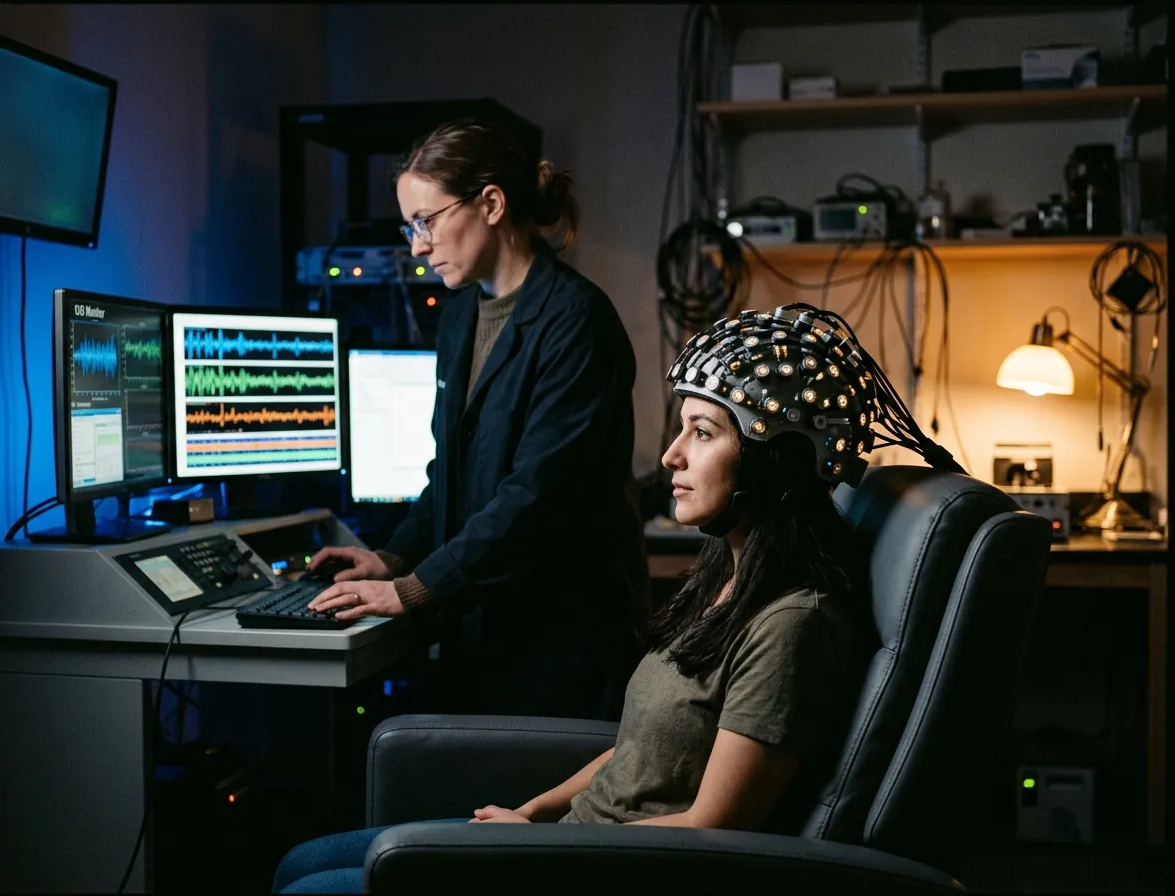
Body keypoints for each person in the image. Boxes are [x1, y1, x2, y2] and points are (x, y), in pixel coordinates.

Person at [272, 305, 894, 894]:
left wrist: (534, 848)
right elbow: (636, 754)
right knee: (299, 862)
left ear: (775, 463)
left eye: (701, 433)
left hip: (598, 870)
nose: (670, 456)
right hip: (569, 845)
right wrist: (534, 814)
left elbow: (715, 828)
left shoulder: (792, 625)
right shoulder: (724, 582)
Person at [303, 118, 650, 723]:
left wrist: (414, 588)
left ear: (490, 203)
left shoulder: (578, 322)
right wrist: (394, 556)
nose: (417, 246)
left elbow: (536, 497)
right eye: (409, 227)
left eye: (426, 222)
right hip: (485, 634)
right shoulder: (461, 314)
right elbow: (452, 472)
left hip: (563, 650)